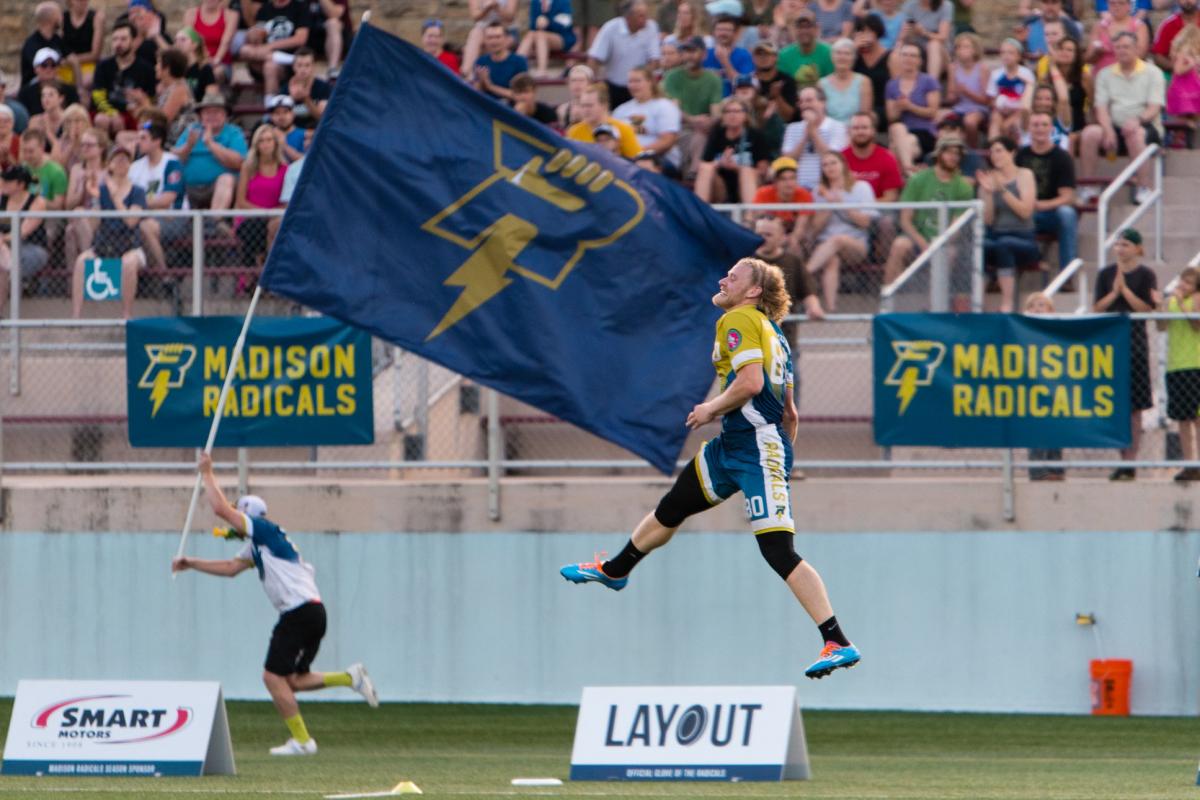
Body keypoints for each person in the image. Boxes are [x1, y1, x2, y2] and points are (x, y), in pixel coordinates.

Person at [559, 257, 861, 681]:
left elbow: (751, 383)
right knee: (674, 506)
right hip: (735, 447)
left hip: (756, 450)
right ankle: (616, 569)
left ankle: (837, 641)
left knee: (778, 551)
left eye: (733, 277)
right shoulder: (775, 332)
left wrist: (711, 409)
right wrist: (779, 455)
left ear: (753, 291)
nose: (723, 280)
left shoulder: (738, 319)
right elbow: (789, 412)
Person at [173, 453, 379, 756]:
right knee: (292, 680)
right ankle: (350, 678)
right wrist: (191, 563)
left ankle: (303, 742)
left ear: (248, 515)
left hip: (298, 612)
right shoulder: (259, 546)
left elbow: (219, 509)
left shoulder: (264, 530)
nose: (234, 519)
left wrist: (207, 473)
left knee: (271, 677)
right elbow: (230, 568)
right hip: (311, 611)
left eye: (238, 512)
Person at [1093, 228, 1159, 481]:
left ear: (1137, 249)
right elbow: (1097, 308)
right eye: (1118, 245)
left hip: (1135, 344)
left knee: (1136, 406)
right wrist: (1114, 292)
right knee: (1116, 404)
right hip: (1111, 344)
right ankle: (1122, 458)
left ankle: (1131, 460)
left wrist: (1126, 292)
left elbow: (1146, 309)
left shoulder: (1146, 275)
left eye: (1126, 245)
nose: (1120, 249)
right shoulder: (1105, 274)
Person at [1078, 32, 1164, 206]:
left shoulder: (1153, 72)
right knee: (1089, 133)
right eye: (1117, 47)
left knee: (1136, 133)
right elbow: (1101, 107)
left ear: (1136, 49)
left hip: (1145, 125)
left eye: (1126, 47)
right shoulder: (1104, 74)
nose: (1122, 51)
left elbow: (1154, 108)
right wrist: (1108, 129)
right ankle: (1089, 187)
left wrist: (1137, 120)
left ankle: (1143, 187)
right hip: (1115, 126)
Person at [884, 136, 973, 290]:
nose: (953, 157)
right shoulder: (918, 179)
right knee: (899, 245)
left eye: (957, 154)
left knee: (949, 253)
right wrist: (923, 244)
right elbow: (905, 220)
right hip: (916, 237)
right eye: (949, 152)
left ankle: (936, 300)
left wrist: (938, 243)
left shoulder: (964, 187)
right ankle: (888, 295)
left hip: (944, 240)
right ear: (938, 154)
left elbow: (956, 226)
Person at [70, 143, 147, 319]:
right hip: (105, 245)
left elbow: (131, 221)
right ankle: (76, 316)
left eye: (125, 160)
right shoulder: (102, 191)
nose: (121, 163)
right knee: (81, 262)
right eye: (117, 160)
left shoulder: (138, 192)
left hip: (130, 246)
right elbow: (94, 225)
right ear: (110, 165)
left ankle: (126, 315)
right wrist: (95, 199)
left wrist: (115, 196)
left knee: (128, 263)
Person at [804, 151, 876, 311]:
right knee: (832, 260)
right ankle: (831, 309)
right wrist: (829, 206)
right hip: (825, 246)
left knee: (838, 239)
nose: (830, 167)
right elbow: (815, 229)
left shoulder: (861, 187)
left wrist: (841, 204)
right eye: (825, 165)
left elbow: (865, 222)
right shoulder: (818, 192)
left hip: (855, 245)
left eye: (833, 163)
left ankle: (804, 273)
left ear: (843, 165)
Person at [979, 136, 1038, 313]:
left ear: (1012, 153)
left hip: (1023, 237)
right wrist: (988, 193)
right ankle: (977, 302)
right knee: (980, 246)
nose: (994, 155)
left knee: (1004, 245)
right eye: (991, 152)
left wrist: (1002, 190)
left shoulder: (1025, 175)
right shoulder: (989, 178)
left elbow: (1025, 211)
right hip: (997, 235)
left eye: (999, 151)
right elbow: (988, 220)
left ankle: (1007, 303)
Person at [1016, 110, 1077, 280]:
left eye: (1044, 125)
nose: (1040, 129)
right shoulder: (1021, 155)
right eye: (1035, 125)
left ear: (1051, 128)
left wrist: (1042, 205)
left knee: (1067, 214)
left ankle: (1067, 275)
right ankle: (999, 276)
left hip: (1051, 213)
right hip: (1025, 210)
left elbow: (1068, 196)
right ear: (1029, 128)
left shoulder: (1062, 157)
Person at [173, 88, 246, 210]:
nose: (212, 116)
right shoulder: (191, 130)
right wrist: (188, 146)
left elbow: (238, 162)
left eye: (217, 112)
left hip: (218, 187)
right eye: (207, 112)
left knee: (226, 179)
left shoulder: (234, 132)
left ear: (225, 115)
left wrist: (210, 143)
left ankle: (214, 220)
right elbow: (175, 159)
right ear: (201, 116)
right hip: (188, 187)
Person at [1158, 268, 1200, 482]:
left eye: (1189, 283)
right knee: (1183, 419)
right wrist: (1161, 305)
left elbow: (1196, 325)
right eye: (1182, 281)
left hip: (1195, 364)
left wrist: (1183, 304)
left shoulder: (1196, 299)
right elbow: (1161, 327)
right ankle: (1189, 463)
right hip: (1176, 366)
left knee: (1197, 418)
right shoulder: (1172, 301)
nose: (1183, 285)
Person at [131, 117, 188, 271]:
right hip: (143, 216)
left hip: (174, 217)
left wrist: (138, 204)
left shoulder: (172, 163)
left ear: (157, 141)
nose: (138, 142)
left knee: (146, 226)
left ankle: (163, 274)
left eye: (143, 138)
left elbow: (167, 200)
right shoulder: (135, 167)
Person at [662, 37, 722, 175]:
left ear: (704, 54)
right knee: (697, 137)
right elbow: (674, 110)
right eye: (685, 51)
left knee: (702, 135)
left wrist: (709, 122)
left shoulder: (713, 79)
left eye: (693, 51)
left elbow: (716, 111)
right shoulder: (672, 77)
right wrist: (693, 120)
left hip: (705, 128)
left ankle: (694, 174)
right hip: (681, 127)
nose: (689, 55)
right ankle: (694, 174)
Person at [1023, 292, 1065, 481]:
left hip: (1054, 387)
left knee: (1056, 426)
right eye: (1032, 306)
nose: (1037, 309)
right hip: (1032, 388)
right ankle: (1038, 470)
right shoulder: (1021, 331)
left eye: (1041, 305)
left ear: (1051, 311)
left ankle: (1056, 468)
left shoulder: (1058, 331)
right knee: (1036, 428)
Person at [588, 0, 661, 108]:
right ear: (628, 17)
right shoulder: (610, 28)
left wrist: (644, 81)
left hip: (640, 87)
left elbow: (654, 60)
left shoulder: (651, 27)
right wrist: (592, 86)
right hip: (614, 87)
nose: (645, 19)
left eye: (646, 15)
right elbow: (595, 58)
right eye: (641, 16)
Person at [696, 96, 770, 202]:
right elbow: (704, 164)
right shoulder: (716, 134)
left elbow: (763, 171)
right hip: (721, 186)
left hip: (750, 182)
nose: (732, 115)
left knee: (746, 171)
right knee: (706, 169)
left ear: (745, 115)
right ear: (723, 116)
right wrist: (720, 163)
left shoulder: (755, 135)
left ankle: (750, 212)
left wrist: (737, 168)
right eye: (728, 111)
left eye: (737, 111)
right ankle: (699, 210)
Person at [92, 22, 158, 138]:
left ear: (134, 41)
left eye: (123, 39)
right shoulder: (103, 66)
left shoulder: (147, 69)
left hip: (134, 114)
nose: (118, 44)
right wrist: (112, 113)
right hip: (107, 112)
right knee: (101, 119)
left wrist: (139, 105)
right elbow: (97, 96)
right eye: (115, 39)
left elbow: (151, 100)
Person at [0, 165, 50, 316]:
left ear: (20, 184)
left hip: (30, 247)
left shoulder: (37, 202)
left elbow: (23, 232)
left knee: (6, 262)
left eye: (8, 181)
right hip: (3, 248)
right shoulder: (1, 198)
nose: (3, 183)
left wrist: (3, 239)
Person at [236, 124, 288, 267]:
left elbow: (286, 202)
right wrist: (264, 213)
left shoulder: (285, 169)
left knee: (274, 226)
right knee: (256, 227)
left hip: (274, 218)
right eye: (261, 141)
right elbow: (241, 201)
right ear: (256, 144)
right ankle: (256, 267)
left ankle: (266, 267)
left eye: (269, 140)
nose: (265, 144)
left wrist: (271, 214)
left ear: (275, 143)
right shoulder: (248, 167)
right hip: (251, 217)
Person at [886, 42, 941, 176]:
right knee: (897, 128)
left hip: (924, 132)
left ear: (920, 61)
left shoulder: (928, 81)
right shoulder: (892, 85)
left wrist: (910, 106)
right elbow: (891, 117)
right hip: (904, 135)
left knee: (895, 147)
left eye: (913, 56)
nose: (908, 59)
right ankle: (909, 171)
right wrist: (899, 107)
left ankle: (906, 173)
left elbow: (932, 112)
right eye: (905, 55)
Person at [781, 85, 848, 189]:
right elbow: (788, 161)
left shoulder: (838, 127)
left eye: (809, 100)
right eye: (801, 102)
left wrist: (812, 131)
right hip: (799, 188)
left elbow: (833, 158)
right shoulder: (792, 128)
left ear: (823, 103)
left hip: (827, 187)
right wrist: (805, 135)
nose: (804, 105)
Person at [240, 0, 311, 96]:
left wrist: (270, 47)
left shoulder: (300, 7)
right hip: (265, 57)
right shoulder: (265, 8)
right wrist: (254, 34)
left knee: (270, 66)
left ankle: (271, 103)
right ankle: (281, 58)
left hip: (289, 60)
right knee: (245, 50)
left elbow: (300, 39)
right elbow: (260, 32)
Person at [613, 67, 682, 166]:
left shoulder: (665, 106)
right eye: (630, 81)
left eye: (637, 81)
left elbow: (667, 141)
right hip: (626, 159)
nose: (633, 85)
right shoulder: (621, 110)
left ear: (650, 82)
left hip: (659, 159)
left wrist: (638, 153)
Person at [63, 126, 107, 269]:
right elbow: (69, 204)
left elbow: (108, 201)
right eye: (82, 145)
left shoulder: (108, 171)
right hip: (79, 216)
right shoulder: (76, 170)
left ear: (101, 148)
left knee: (73, 226)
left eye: (89, 145)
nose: (85, 148)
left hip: (101, 214)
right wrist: (82, 186)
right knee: (71, 230)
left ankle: (87, 267)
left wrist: (94, 189)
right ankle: (84, 269)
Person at [1037, 33, 1091, 141]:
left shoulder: (1084, 77)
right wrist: (1052, 65)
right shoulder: (1047, 78)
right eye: (1061, 49)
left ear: (1076, 55)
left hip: (1078, 128)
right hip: (1053, 128)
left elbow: (1093, 104)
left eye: (1069, 50)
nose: (1065, 52)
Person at [752, 155, 814, 248]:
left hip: (793, 240)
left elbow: (799, 230)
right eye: (783, 179)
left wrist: (789, 240)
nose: (789, 183)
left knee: (795, 246)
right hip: (768, 238)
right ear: (775, 181)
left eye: (792, 178)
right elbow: (759, 223)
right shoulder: (763, 193)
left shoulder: (804, 194)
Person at [567, 84, 642, 157]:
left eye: (589, 105)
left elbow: (637, 160)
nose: (585, 110)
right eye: (583, 106)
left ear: (604, 105)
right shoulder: (574, 132)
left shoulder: (623, 129)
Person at [945, 32, 990, 146]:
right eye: (959, 47)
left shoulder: (982, 68)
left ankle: (972, 149)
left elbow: (986, 99)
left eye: (966, 47)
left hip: (978, 109)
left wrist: (966, 92)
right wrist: (955, 95)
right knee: (938, 118)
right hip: (959, 107)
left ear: (975, 50)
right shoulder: (953, 67)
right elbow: (950, 97)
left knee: (969, 122)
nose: (961, 50)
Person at [987, 39, 1035, 140]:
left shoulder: (1026, 74)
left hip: (1020, 111)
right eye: (1003, 52)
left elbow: (1029, 100)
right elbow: (991, 99)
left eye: (1010, 53)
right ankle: (993, 144)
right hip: (1001, 110)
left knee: (1010, 126)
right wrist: (1000, 107)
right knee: (995, 120)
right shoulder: (996, 74)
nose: (1006, 56)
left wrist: (1014, 111)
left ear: (1019, 56)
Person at [474, 21, 530, 102]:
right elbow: (476, 93)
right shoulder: (481, 61)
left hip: (510, 106)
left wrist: (490, 86)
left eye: (498, 37)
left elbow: (522, 96)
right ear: (484, 40)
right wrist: (481, 82)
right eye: (490, 37)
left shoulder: (519, 62)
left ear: (506, 39)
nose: (493, 41)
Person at [460, 0, 519, 78]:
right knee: (476, 33)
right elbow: (475, 16)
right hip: (483, 31)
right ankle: (466, 72)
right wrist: (487, 9)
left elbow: (510, 17)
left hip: (506, 30)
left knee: (471, 48)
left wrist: (497, 7)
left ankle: (471, 72)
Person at [1085, 0, 1148, 72]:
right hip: (1102, 72)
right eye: (1112, 3)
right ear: (1108, 5)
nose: (1116, 6)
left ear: (1129, 6)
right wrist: (1096, 52)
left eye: (1121, 3)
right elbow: (1088, 58)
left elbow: (1141, 55)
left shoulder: (1139, 26)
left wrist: (1116, 50)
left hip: (1129, 72)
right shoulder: (1099, 26)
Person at [819, 38, 871, 124]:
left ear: (854, 58)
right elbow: (820, 116)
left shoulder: (864, 82)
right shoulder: (821, 84)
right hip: (829, 131)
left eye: (847, 54)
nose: (842, 57)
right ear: (832, 57)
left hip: (856, 129)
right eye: (838, 53)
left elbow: (865, 115)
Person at [852, 15, 891, 132]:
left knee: (868, 118)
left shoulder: (890, 56)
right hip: (857, 104)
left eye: (869, 31)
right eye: (862, 31)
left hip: (882, 106)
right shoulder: (854, 55)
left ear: (877, 32)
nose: (865, 35)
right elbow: (842, 72)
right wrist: (854, 49)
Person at [518, 0, 576, 76]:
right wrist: (538, 23)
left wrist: (549, 23)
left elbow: (566, 24)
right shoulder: (535, 2)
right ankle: (516, 67)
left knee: (540, 35)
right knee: (530, 34)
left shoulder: (563, 2)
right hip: (539, 37)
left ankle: (542, 72)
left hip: (562, 37)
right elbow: (532, 26)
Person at [778, 10, 833, 87]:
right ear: (794, 30)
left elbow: (832, 85)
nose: (804, 31)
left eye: (808, 27)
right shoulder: (783, 56)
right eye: (800, 27)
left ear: (816, 29)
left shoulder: (829, 52)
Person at [704, 14, 754, 97]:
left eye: (727, 30)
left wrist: (725, 62)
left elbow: (743, 87)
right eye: (719, 29)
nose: (723, 33)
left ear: (735, 33)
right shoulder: (705, 54)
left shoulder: (744, 55)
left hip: (734, 101)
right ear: (713, 33)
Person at [900, 0, 952, 79]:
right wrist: (908, 31)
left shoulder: (945, 5)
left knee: (933, 44)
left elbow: (943, 36)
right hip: (917, 48)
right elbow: (904, 34)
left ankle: (932, 82)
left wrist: (924, 32)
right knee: (900, 47)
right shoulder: (909, 5)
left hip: (940, 52)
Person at [20, 50, 81, 116]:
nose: (48, 69)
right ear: (35, 69)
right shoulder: (25, 93)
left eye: (53, 65)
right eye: (44, 65)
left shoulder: (70, 91)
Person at [62, 0, 107, 91]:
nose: (83, 2)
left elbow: (95, 54)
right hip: (66, 66)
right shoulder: (62, 18)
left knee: (86, 81)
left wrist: (73, 60)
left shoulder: (96, 18)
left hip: (88, 64)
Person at [183, 0, 238, 72]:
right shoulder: (191, 13)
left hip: (221, 63)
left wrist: (216, 61)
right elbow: (189, 41)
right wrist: (201, 61)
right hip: (197, 61)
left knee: (215, 72)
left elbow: (226, 42)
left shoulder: (231, 15)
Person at [20, 2, 65, 88]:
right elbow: (41, 72)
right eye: (59, 15)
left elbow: (71, 58)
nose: (62, 19)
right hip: (35, 87)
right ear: (51, 18)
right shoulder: (32, 44)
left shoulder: (57, 39)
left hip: (54, 82)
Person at [286, 48, 332, 125]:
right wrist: (291, 99)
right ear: (293, 67)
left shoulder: (324, 87)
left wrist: (306, 99)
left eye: (307, 65)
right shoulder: (285, 88)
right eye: (299, 65)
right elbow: (280, 120)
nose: (303, 69)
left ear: (313, 66)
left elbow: (323, 118)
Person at [1152, 0, 1199, 73]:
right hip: (1176, 74)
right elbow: (1158, 56)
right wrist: (1178, 67)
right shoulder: (1168, 24)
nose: (1187, 1)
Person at [1167, 27, 1200, 125]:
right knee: (1182, 122)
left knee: (1192, 122)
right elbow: (1178, 70)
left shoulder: (1193, 55)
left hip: (1193, 90)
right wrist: (1191, 64)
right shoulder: (1182, 53)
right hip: (1182, 91)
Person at [156, 47, 194, 129]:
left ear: (167, 69)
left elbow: (162, 122)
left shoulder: (179, 89)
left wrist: (144, 103)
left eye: (158, 63)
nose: (156, 67)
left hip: (177, 136)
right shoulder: (169, 87)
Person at [175, 27, 217, 102]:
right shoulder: (175, 68)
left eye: (183, 40)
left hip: (197, 106)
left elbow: (211, 96)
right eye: (176, 40)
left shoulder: (204, 68)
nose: (178, 43)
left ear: (194, 44)